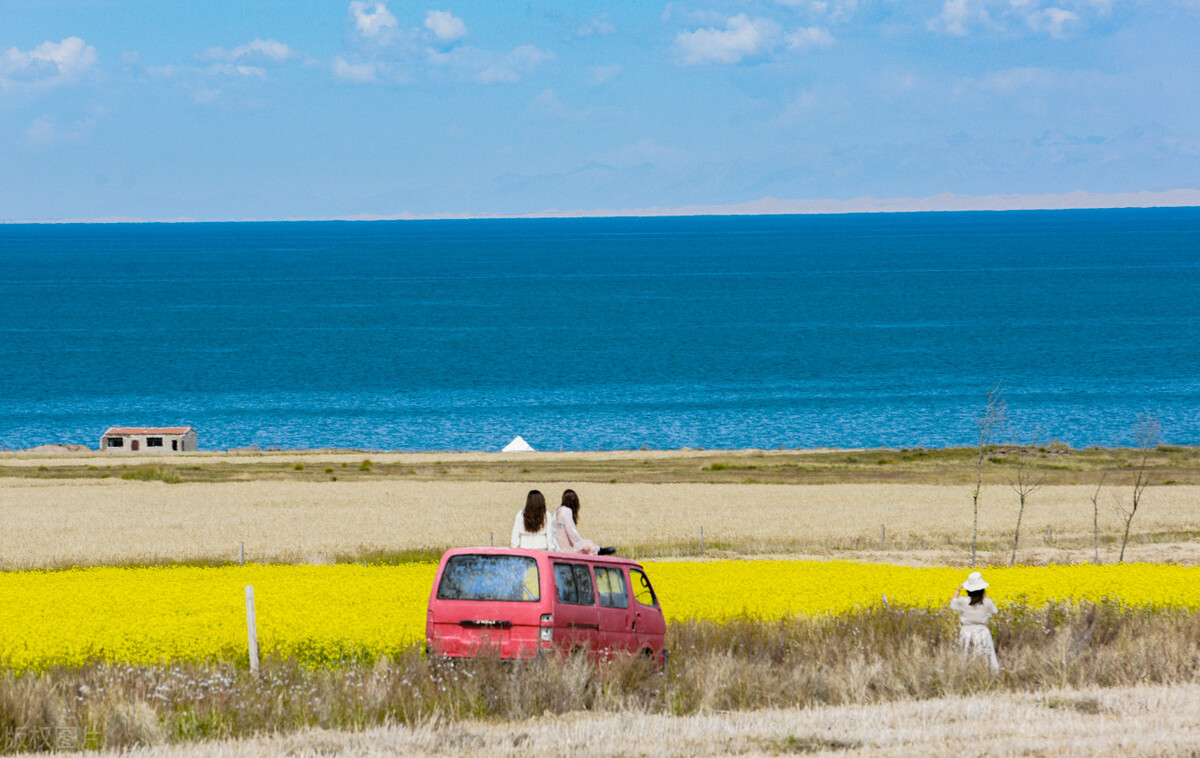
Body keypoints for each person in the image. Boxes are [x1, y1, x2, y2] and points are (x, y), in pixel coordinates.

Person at [949, 571, 999, 672]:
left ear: (968, 589)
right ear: (982, 589)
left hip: (966, 632)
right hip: (982, 633)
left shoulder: (963, 601)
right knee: (985, 657)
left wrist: (958, 589)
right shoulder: (987, 602)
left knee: (966, 655)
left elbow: (952, 604)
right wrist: (985, 595)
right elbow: (995, 611)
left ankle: (965, 673)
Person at [553, 489, 600, 555]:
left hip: (557, 546)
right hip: (566, 547)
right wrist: (582, 544)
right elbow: (571, 532)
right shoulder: (567, 511)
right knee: (590, 547)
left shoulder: (557, 511)